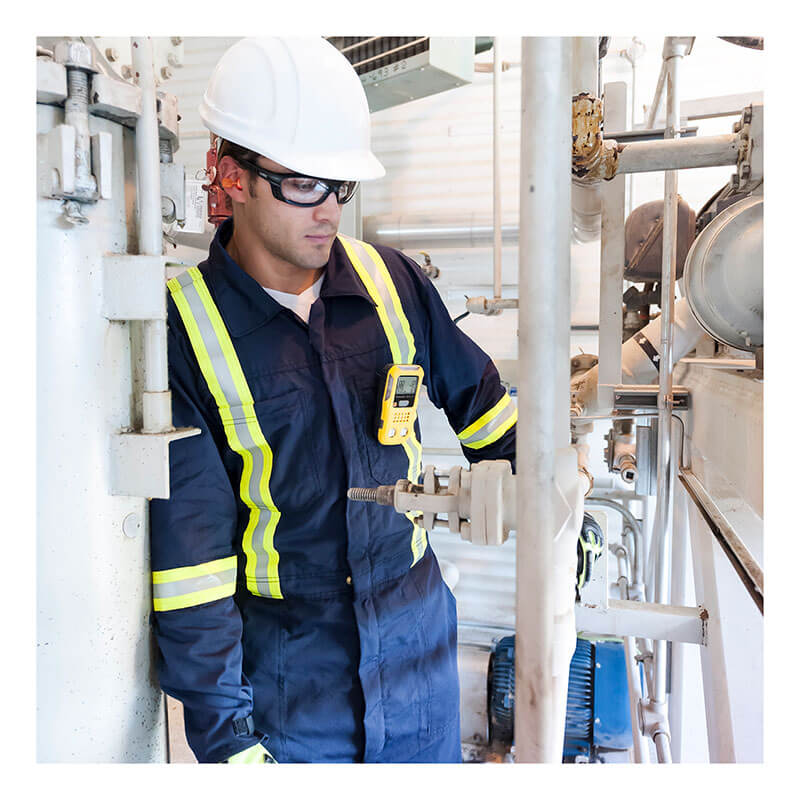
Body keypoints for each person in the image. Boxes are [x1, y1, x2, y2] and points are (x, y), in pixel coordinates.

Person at [149, 36, 517, 764]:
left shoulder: (393, 283)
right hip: (293, 686)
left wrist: (548, 498)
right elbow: (191, 565)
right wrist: (229, 744)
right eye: (304, 185)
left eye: (340, 186)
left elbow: (486, 409)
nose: (329, 211)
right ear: (233, 177)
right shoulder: (184, 330)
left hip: (419, 659)